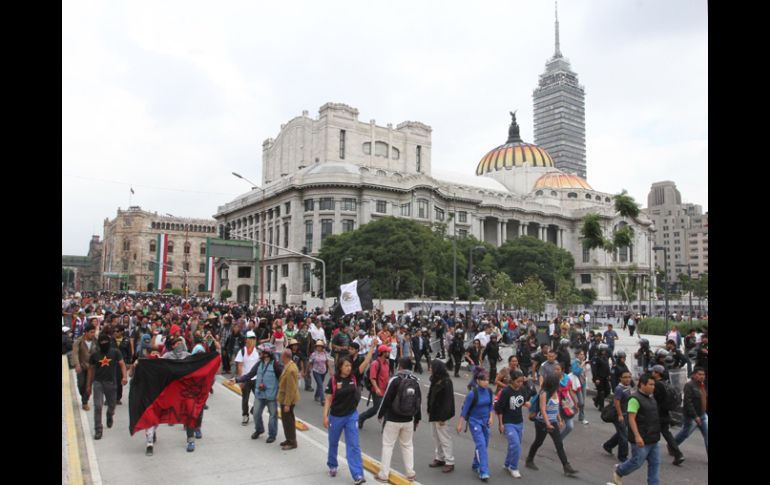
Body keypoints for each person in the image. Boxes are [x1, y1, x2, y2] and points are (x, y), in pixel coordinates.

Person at [375, 357, 422, 483]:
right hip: (408, 420)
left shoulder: (395, 380)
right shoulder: (415, 381)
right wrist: (417, 418)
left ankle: (384, 474)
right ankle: (410, 473)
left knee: (388, 445)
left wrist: (380, 414)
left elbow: (386, 398)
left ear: (400, 366)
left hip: (393, 419)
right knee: (407, 445)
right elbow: (418, 402)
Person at [524, 374, 578, 476]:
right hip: (542, 422)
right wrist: (547, 423)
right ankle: (529, 460)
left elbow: (556, 407)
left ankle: (566, 466)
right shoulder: (544, 393)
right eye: (558, 383)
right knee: (538, 442)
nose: (559, 385)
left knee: (559, 444)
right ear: (553, 383)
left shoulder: (556, 392)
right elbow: (543, 409)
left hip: (552, 422)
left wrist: (559, 419)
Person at [611, 374, 661, 485]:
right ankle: (619, 471)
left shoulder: (652, 398)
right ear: (642, 384)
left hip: (653, 438)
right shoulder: (634, 399)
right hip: (641, 439)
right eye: (650, 384)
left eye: (654, 384)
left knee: (655, 463)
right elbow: (631, 419)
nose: (653, 387)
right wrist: (637, 436)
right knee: (637, 462)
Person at [324, 356, 366, 485]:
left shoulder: (354, 377)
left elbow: (365, 363)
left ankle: (358, 474)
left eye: (350, 365)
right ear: (340, 367)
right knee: (333, 442)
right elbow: (328, 400)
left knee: (354, 445)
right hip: (336, 416)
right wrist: (325, 416)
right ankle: (332, 465)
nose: (349, 368)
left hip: (351, 416)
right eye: (346, 365)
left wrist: (372, 349)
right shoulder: (333, 380)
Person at [233, 343, 281, 443]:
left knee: (273, 416)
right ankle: (259, 429)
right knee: (256, 413)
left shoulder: (275, 365)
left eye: (261, 352)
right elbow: (250, 375)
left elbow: (281, 379)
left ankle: (272, 435)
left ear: (267, 353)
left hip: (271, 395)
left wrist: (280, 392)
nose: (259, 353)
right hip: (260, 394)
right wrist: (237, 380)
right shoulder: (259, 363)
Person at [161, 337, 202, 452]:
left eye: (181, 343)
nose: (179, 345)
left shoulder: (188, 355)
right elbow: (159, 365)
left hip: (188, 389)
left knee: (191, 411)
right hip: (173, 389)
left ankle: (191, 438)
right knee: (176, 410)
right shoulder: (167, 356)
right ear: (172, 346)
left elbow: (197, 363)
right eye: (177, 343)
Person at [455, 367, 494, 481]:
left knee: (484, 444)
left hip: (485, 422)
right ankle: (484, 471)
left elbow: (491, 406)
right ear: (478, 381)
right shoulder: (472, 394)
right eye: (484, 380)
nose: (486, 382)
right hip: (474, 422)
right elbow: (465, 410)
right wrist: (459, 424)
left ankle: (475, 464)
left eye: (487, 380)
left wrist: (491, 417)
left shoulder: (489, 391)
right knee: (481, 445)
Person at [86, 333, 128, 440]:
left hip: (111, 383)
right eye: (102, 342)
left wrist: (124, 377)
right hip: (98, 383)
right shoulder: (94, 355)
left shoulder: (115, 352)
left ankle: (110, 415)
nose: (104, 343)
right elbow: (90, 370)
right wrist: (88, 385)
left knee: (112, 405)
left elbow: (122, 364)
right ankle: (98, 429)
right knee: (98, 406)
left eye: (106, 341)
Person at [495, 370, 530, 479]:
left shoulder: (522, 389)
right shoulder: (506, 391)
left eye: (522, 381)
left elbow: (523, 401)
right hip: (508, 422)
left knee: (514, 445)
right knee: (516, 445)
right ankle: (513, 467)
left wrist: (527, 404)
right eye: (518, 381)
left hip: (519, 422)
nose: (520, 384)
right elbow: (499, 409)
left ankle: (507, 463)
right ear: (512, 380)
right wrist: (501, 424)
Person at [651, 365, 684, 466]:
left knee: (649, 433)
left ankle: (648, 455)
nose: (652, 373)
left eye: (653, 372)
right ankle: (678, 454)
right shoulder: (666, 383)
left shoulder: (657, 384)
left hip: (658, 413)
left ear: (657, 373)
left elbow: (655, 400)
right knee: (666, 434)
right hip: (665, 413)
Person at [427, 359, 455, 473]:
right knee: (436, 437)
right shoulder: (435, 379)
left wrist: (443, 417)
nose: (430, 369)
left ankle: (450, 461)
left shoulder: (446, 382)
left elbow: (448, 401)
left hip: (441, 415)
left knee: (444, 438)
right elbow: (431, 395)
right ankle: (440, 458)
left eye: (431, 367)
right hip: (434, 413)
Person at [674, 367, 708, 455]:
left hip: (703, 414)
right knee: (685, 433)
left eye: (703, 374)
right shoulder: (689, 385)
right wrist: (695, 416)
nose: (702, 376)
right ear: (694, 375)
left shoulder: (703, 385)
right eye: (699, 374)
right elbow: (688, 403)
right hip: (691, 416)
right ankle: (672, 445)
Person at [358, 344, 391, 429]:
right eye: (387, 352)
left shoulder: (387, 363)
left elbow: (387, 376)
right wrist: (376, 388)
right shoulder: (375, 363)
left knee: (387, 408)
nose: (389, 353)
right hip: (377, 390)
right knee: (376, 409)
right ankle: (361, 418)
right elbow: (372, 378)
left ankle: (386, 428)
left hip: (385, 390)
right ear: (382, 352)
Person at [603, 370, 633, 463]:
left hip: (626, 414)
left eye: (629, 377)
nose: (628, 379)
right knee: (624, 436)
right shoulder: (619, 389)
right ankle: (623, 456)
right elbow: (616, 402)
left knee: (622, 433)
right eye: (625, 377)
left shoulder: (627, 387)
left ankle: (608, 445)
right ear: (620, 378)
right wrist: (620, 415)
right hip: (619, 415)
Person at [234, 330, 260, 425]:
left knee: (259, 397)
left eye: (253, 338)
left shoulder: (258, 351)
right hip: (245, 379)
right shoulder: (242, 351)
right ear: (246, 340)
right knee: (245, 399)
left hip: (255, 379)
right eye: (250, 338)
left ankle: (254, 409)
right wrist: (241, 380)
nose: (252, 340)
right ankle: (245, 415)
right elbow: (239, 366)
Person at [277, 349, 300, 450]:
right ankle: (289, 439)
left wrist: (287, 404)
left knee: (288, 421)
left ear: (284, 357)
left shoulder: (290, 370)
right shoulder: (288, 366)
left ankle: (292, 441)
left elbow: (290, 388)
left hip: (288, 399)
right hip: (285, 398)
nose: (280, 357)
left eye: (281, 356)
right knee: (286, 420)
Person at [73, 322, 98, 410]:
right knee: (81, 384)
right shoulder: (79, 341)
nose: (93, 334)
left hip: (92, 367)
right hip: (82, 366)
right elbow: (75, 354)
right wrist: (77, 365)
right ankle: (83, 396)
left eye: (94, 332)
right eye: (91, 332)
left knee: (88, 384)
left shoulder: (96, 341)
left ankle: (85, 402)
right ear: (86, 332)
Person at [309, 340, 330, 404]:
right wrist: (309, 369)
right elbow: (310, 362)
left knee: (319, 384)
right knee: (320, 385)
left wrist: (330, 370)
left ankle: (316, 396)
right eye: (317, 346)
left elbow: (327, 362)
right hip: (316, 371)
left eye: (320, 346)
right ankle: (322, 400)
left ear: (322, 347)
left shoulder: (325, 353)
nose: (319, 347)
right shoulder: (314, 354)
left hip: (323, 371)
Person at [592, 344, 611, 411]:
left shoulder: (605, 357)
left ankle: (597, 399)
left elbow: (607, 367)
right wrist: (596, 378)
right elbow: (594, 369)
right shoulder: (595, 358)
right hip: (599, 378)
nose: (604, 351)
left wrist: (609, 374)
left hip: (605, 377)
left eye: (605, 350)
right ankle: (601, 407)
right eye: (602, 350)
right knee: (601, 392)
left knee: (608, 391)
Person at [571, 350, 589, 424]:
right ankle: (570, 412)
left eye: (583, 354)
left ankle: (581, 418)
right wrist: (582, 365)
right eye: (581, 354)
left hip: (583, 383)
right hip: (577, 384)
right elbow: (576, 372)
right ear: (577, 355)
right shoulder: (574, 362)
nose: (582, 356)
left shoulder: (583, 362)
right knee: (581, 402)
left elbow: (585, 373)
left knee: (583, 402)